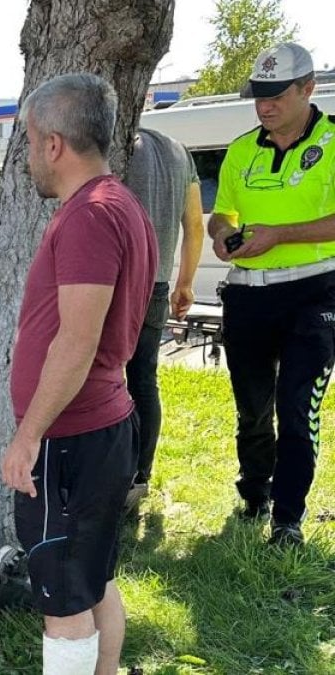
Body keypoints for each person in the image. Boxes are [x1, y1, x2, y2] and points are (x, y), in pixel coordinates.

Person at [0, 74, 156, 674]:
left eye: (30, 141)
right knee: (92, 581)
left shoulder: (91, 214)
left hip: (70, 439)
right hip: (98, 429)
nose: (29, 155)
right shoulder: (116, 202)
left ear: (55, 144)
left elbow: (77, 340)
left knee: (64, 601)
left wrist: (27, 434)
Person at [208, 43, 335, 547]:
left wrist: (281, 234)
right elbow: (225, 214)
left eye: (276, 96)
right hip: (249, 296)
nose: (264, 106)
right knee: (254, 407)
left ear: (308, 89)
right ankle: (254, 491)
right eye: (258, 96)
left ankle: (288, 519)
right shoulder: (242, 150)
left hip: (315, 292)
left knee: (297, 405)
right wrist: (221, 232)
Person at [122, 128, 204, 506]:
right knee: (144, 381)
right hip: (157, 283)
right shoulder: (177, 149)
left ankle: (102, 472)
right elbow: (195, 226)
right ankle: (141, 475)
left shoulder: (120, 141)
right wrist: (184, 283)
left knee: (101, 381)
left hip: (115, 281)